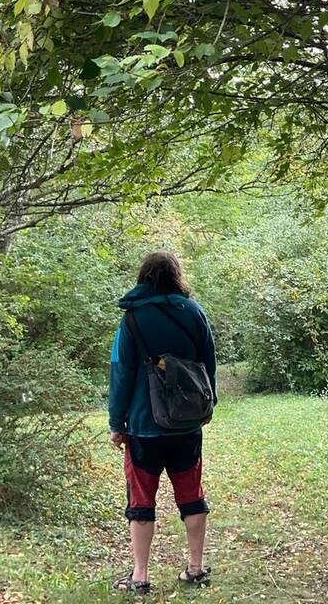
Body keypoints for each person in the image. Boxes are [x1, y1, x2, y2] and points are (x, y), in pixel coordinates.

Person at [108, 251, 217, 596]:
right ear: (176, 276)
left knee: (141, 500)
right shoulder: (194, 313)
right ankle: (195, 569)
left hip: (143, 426)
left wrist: (116, 422)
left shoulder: (132, 319)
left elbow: (121, 374)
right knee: (191, 494)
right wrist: (209, 404)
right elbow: (208, 364)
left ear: (144, 277)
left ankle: (140, 577)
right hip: (186, 425)